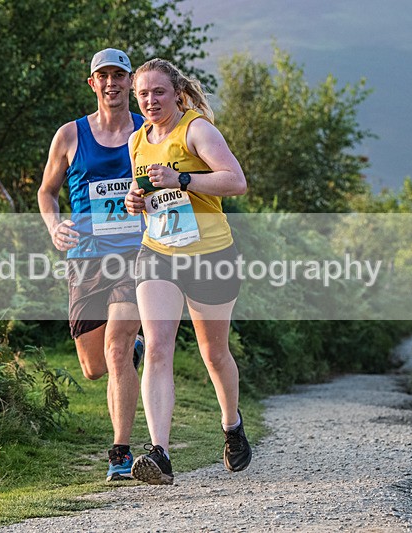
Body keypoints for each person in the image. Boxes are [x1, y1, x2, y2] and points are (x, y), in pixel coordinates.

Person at [124, 58, 252, 485]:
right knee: (157, 346)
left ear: (176, 93)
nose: (149, 100)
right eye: (142, 94)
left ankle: (231, 426)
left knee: (214, 354)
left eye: (158, 92)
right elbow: (142, 188)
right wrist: (135, 200)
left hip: (211, 255)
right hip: (157, 252)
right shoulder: (137, 139)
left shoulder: (197, 130)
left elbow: (235, 182)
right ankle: (159, 453)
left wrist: (181, 179)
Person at [38, 48, 145, 482]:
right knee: (94, 366)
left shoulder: (148, 130)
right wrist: (53, 226)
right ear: (93, 84)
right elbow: (47, 192)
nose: (112, 83)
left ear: (130, 81)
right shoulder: (69, 135)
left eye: (119, 75)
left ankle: (120, 453)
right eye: (104, 76)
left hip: (138, 252)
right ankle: (134, 351)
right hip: (85, 259)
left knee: (117, 346)